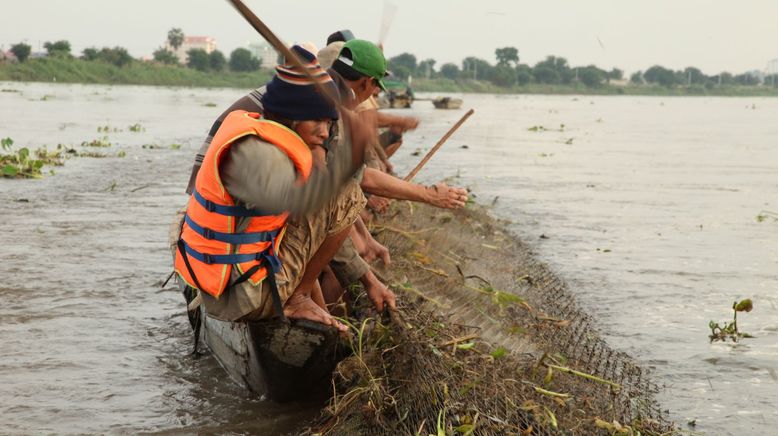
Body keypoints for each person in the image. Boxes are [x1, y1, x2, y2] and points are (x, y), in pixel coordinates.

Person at [173, 45, 382, 331]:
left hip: (223, 279)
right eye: (318, 121)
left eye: (327, 122)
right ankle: (297, 297)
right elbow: (309, 207)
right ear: (292, 117)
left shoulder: (257, 129)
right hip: (244, 295)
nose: (324, 131)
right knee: (346, 195)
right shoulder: (264, 156)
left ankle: (300, 295)